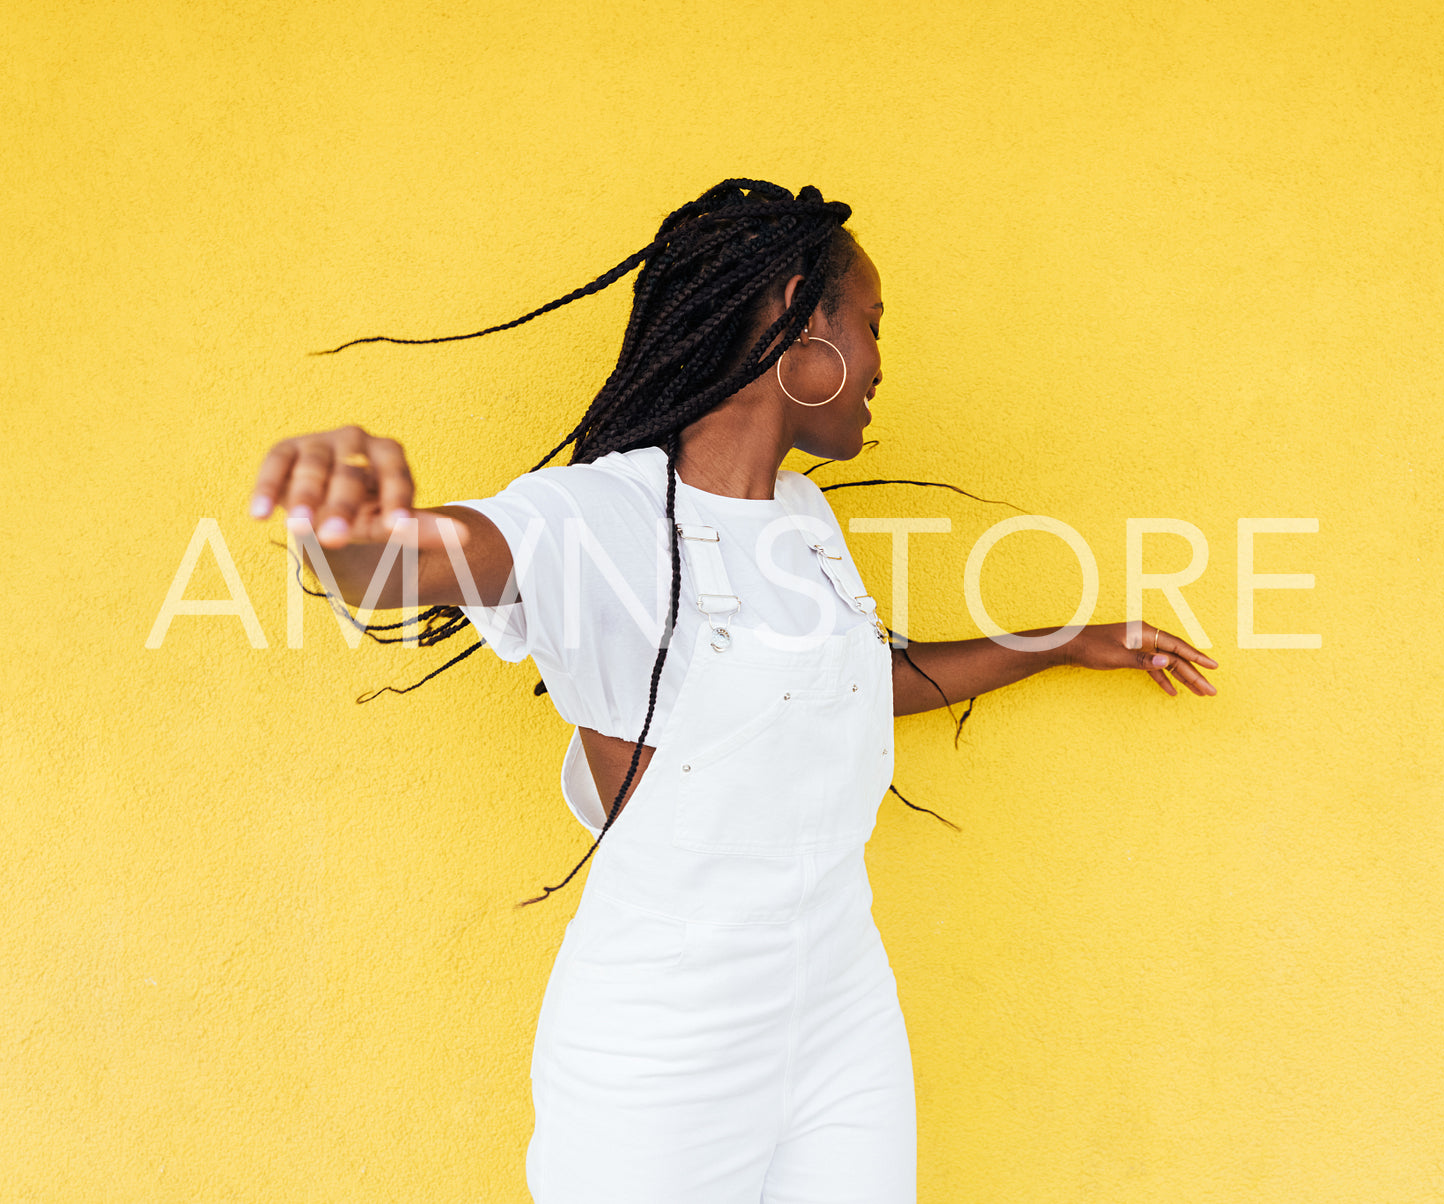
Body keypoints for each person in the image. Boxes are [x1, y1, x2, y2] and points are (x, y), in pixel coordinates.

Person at [248, 179, 1217, 1203]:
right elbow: (412, 563)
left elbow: (847, 689)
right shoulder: (600, 519)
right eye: (874, 325)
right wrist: (340, 530)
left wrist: (1058, 642)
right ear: (799, 314)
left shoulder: (800, 518)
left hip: (839, 1008)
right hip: (665, 1046)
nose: (884, 362)